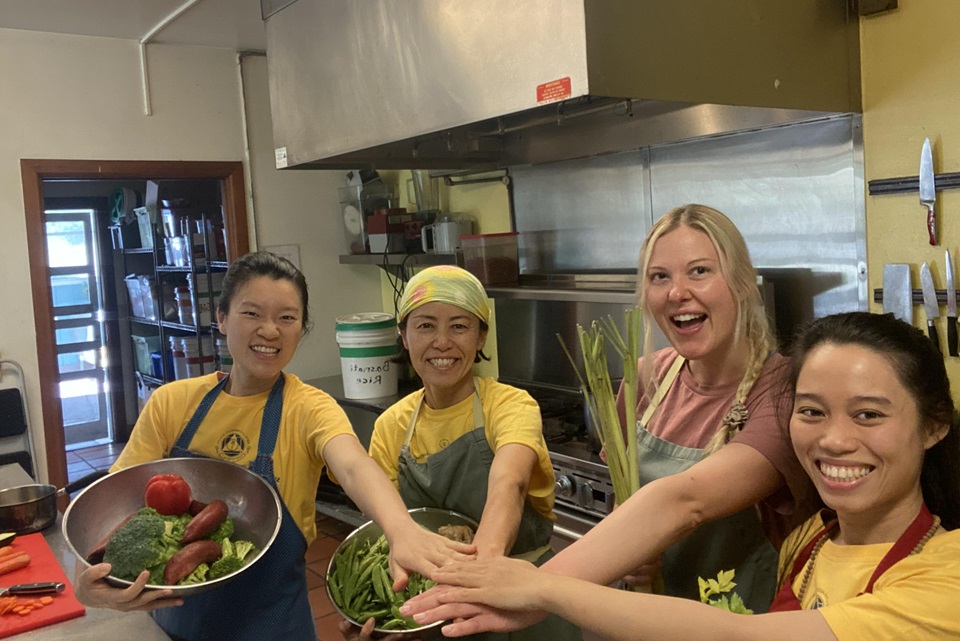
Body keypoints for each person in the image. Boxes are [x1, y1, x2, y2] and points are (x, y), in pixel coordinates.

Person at [402, 311, 960, 640]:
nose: (834, 439)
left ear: (934, 425)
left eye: (868, 414)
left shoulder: (946, 584)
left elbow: (742, 636)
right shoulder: (813, 538)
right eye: (812, 411)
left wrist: (543, 587)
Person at [392, 203, 815, 636]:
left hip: (740, 623)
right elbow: (623, 500)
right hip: (639, 619)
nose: (677, 292)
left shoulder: (786, 393)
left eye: (700, 271)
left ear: (744, 283)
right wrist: (633, 553)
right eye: (659, 277)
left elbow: (686, 501)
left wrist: (538, 588)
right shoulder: (647, 376)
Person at [74, 251, 474, 641]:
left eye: (287, 318)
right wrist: (87, 581)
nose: (270, 331)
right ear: (222, 318)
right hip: (172, 622)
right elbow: (118, 502)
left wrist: (401, 530)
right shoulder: (172, 403)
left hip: (274, 624)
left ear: (302, 328)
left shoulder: (309, 408)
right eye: (252, 314)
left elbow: (353, 466)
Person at [339, 264, 581, 641]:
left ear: (481, 336)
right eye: (425, 325)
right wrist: (390, 611)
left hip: (526, 604)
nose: (441, 342)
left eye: (459, 326)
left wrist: (478, 576)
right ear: (403, 335)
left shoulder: (511, 405)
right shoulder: (390, 427)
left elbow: (510, 483)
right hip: (437, 611)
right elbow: (389, 532)